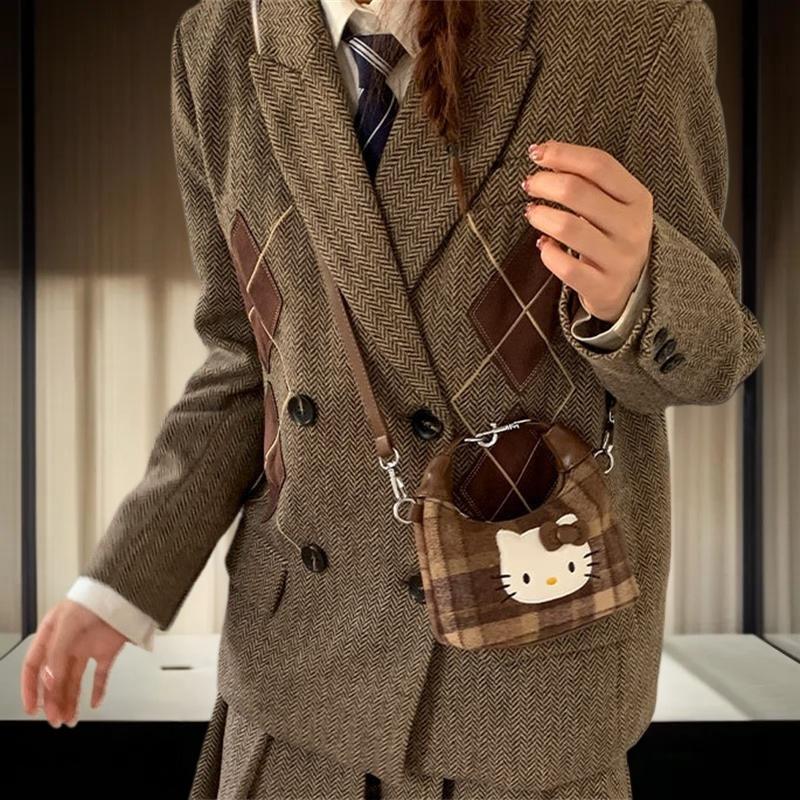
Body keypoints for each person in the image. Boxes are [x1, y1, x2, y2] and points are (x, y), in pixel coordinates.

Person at [20, 0, 766, 798]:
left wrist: (639, 291)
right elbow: (244, 362)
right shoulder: (220, 42)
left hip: (523, 690)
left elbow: (709, 364)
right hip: (295, 684)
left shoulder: (630, 32)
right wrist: (122, 583)